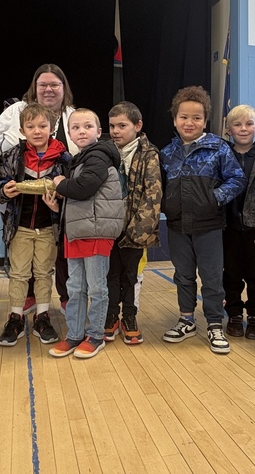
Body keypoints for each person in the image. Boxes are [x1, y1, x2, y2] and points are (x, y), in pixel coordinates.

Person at [159, 86, 245, 355]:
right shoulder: (167, 153)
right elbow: (158, 186)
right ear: (175, 119)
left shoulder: (219, 148)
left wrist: (215, 198)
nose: (190, 123)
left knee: (211, 277)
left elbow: (237, 179)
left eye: (196, 118)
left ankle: (215, 323)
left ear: (205, 121)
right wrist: (166, 206)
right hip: (176, 225)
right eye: (184, 117)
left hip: (209, 225)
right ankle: (186, 319)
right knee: (183, 275)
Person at [0, 64, 77, 311]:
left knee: (57, 255)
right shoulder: (17, 111)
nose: (48, 89)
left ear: (63, 88)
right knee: (22, 259)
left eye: (54, 85)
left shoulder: (73, 115)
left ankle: (62, 300)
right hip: (21, 205)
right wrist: (2, 187)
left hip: (59, 203)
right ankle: (25, 302)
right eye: (43, 85)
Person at [48, 109, 124, 359]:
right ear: (69, 133)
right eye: (76, 127)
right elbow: (80, 199)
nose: (82, 131)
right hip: (77, 232)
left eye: (88, 126)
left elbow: (83, 188)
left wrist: (60, 183)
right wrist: (58, 205)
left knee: (96, 288)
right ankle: (74, 335)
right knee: (75, 286)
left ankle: (95, 336)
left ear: (98, 132)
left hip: (96, 232)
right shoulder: (80, 160)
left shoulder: (98, 157)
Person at [0, 103, 70, 347]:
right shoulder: (12, 156)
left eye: (42, 126)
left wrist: (60, 196)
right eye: (31, 126)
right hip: (20, 227)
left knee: (43, 273)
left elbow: (72, 192)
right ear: (21, 129)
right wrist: (4, 191)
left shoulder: (63, 159)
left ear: (52, 128)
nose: (37, 131)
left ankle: (43, 316)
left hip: (49, 227)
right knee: (18, 273)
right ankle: (15, 317)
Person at [103, 101, 161, 345]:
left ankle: (129, 316)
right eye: (112, 126)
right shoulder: (105, 152)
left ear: (137, 126)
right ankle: (110, 317)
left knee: (130, 276)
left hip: (135, 231)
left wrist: (137, 231)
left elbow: (153, 195)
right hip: (109, 227)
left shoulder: (149, 154)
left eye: (122, 126)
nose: (116, 131)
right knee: (110, 275)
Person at [222, 105, 255, 340]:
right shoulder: (221, 153)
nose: (243, 129)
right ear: (228, 129)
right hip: (227, 226)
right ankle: (233, 314)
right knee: (231, 273)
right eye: (237, 124)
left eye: (249, 124)